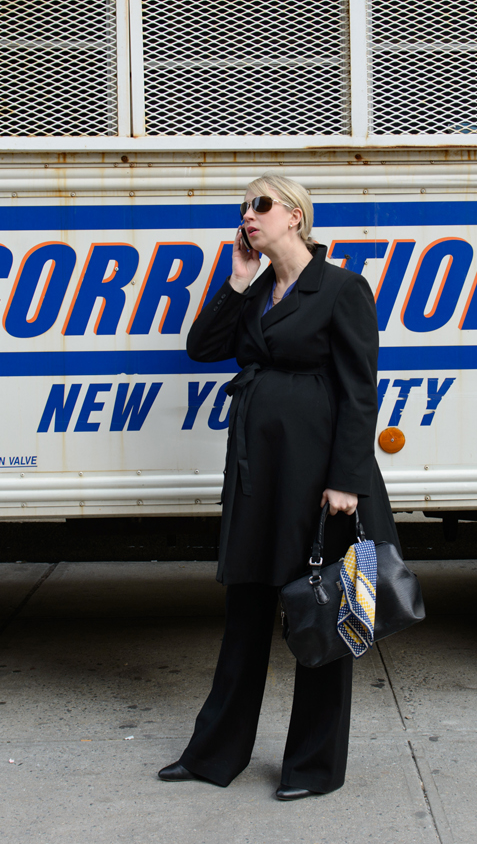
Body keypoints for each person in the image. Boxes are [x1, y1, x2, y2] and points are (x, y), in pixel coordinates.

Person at [158, 174, 400, 800]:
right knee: (245, 613)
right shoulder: (258, 288)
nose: (248, 216)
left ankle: (313, 769)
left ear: (295, 216)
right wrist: (237, 279)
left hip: (318, 479)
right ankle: (215, 755)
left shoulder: (342, 288)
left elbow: (358, 391)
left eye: (260, 205)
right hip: (257, 474)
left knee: (322, 613)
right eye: (243, 208)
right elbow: (201, 348)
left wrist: (346, 480)